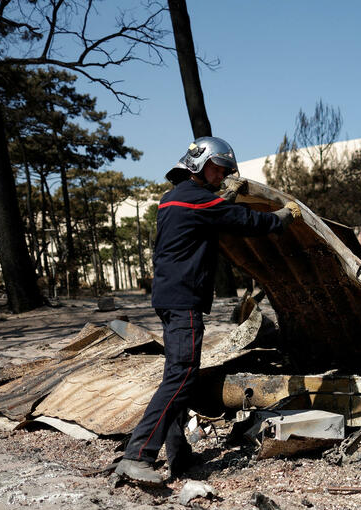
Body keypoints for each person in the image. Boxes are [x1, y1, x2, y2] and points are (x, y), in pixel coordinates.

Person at [115, 136, 300, 485]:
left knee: (177, 376)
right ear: (199, 165)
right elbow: (248, 222)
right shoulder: (198, 201)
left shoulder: (172, 198)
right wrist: (282, 216)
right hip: (183, 299)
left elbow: (210, 213)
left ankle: (179, 453)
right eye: (219, 169)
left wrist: (220, 197)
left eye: (226, 171)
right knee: (182, 375)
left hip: (169, 296)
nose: (222, 175)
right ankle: (138, 454)